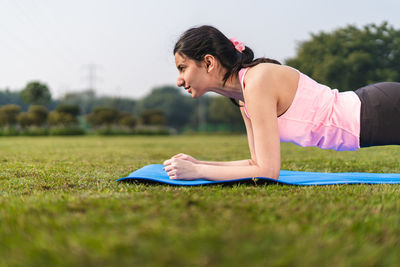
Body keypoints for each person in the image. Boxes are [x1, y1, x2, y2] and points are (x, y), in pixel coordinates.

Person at [163, 25, 400, 181]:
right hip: (372, 117)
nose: (179, 80)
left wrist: (198, 171)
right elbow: (256, 164)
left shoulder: (258, 82)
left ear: (208, 62)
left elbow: (267, 172)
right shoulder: (244, 99)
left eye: (182, 68)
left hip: (379, 111)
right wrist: (198, 163)